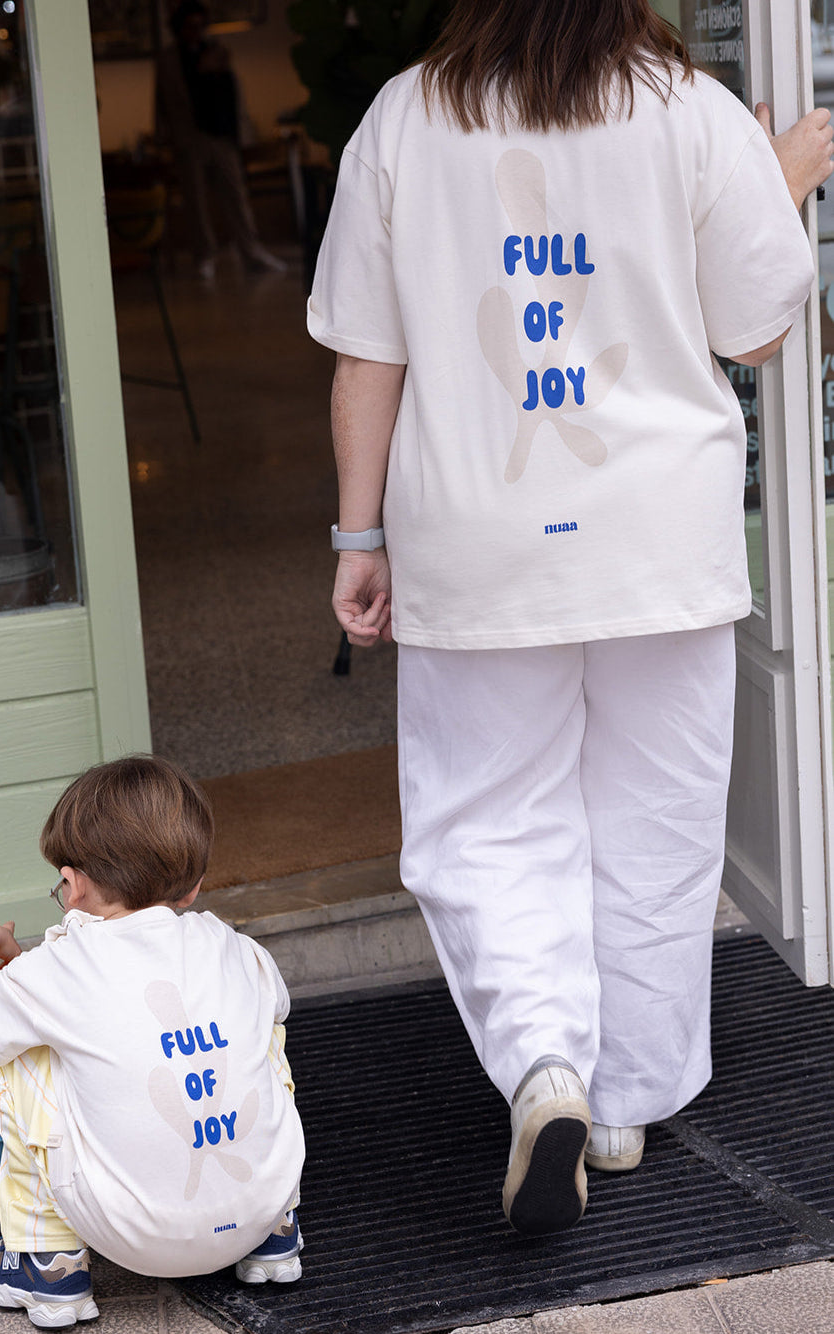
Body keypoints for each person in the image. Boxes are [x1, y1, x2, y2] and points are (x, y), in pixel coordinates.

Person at [308, 0, 833, 1238]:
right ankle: (622, 1104)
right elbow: (754, 332)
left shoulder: (402, 118)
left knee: (486, 814)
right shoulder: (690, 112)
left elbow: (365, 358)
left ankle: (544, 1059)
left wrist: (356, 537)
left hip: (477, 536)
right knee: (654, 815)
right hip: (657, 533)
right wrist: (778, 183)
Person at [0, 754, 305, 1326]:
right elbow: (276, 1006)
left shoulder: (59, 967)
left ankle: (47, 1263)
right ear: (194, 885)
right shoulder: (235, 947)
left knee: (18, 1049)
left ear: (74, 885)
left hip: (133, 1236)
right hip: (255, 1212)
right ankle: (276, 1230)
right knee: (262, 1030)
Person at [155, 0, 286, 280]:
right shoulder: (169, 60)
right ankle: (205, 255)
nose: (196, 31)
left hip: (221, 136)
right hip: (189, 139)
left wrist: (240, 134)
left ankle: (251, 250)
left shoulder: (216, 52)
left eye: (200, 26)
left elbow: (231, 95)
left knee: (236, 197)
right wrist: (163, 139)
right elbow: (162, 103)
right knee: (196, 202)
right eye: (190, 26)